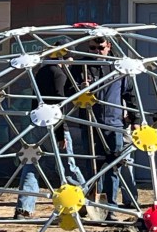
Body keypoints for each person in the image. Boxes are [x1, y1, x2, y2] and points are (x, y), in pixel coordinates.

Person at [15, 37, 87, 218]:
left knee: (32, 164)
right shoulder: (58, 73)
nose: (72, 62)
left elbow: (57, 94)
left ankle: (24, 207)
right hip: (53, 125)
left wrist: (77, 89)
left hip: (36, 124)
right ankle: (85, 199)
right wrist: (61, 133)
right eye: (70, 57)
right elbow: (56, 104)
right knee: (67, 166)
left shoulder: (43, 71)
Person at [78, 36, 140, 215]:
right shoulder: (81, 66)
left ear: (109, 46)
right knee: (92, 166)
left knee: (114, 165)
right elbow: (68, 93)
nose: (97, 51)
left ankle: (111, 207)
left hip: (114, 123)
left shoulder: (119, 67)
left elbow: (130, 95)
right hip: (89, 122)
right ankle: (91, 204)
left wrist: (135, 120)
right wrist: (80, 88)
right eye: (92, 48)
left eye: (100, 47)